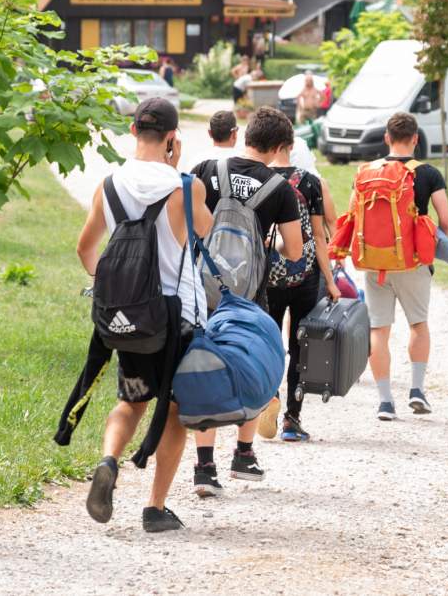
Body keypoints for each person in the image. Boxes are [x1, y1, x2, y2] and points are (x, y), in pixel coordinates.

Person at [71, 98, 213, 533]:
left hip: (129, 318)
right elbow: (204, 232)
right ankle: (155, 507)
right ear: (172, 137)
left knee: (130, 401)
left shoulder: (108, 185)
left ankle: (108, 460)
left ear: (133, 130)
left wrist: (117, 284)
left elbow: (85, 248)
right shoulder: (186, 187)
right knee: (173, 411)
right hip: (177, 318)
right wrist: (180, 167)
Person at [189, 106, 305, 495]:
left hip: (204, 288)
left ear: (245, 135)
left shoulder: (206, 169)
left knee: (202, 366)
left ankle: (204, 468)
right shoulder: (280, 189)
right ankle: (243, 455)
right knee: (254, 362)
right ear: (278, 148)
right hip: (249, 295)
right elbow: (294, 251)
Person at [365, 111, 448, 421]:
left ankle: (385, 401)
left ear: (386, 138)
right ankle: (416, 390)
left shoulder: (368, 171)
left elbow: (354, 214)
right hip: (413, 262)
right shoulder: (427, 173)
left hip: (376, 262)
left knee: (379, 330)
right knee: (418, 324)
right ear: (415, 139)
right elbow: (446, 220)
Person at [265, 132, 342, 443]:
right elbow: (321, 237)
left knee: (269, 340)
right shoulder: (310, 182)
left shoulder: (259, 178)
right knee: (300, 345)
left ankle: (268, 398)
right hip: (305, 276)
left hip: (268, 276)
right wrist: (331, 281)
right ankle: (292, 420)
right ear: (292, 146)